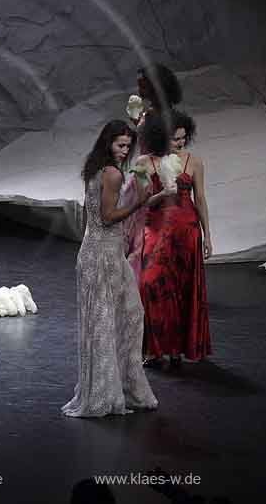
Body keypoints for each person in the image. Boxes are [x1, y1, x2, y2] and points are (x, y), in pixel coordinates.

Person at [62, 120, 170, 418]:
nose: (125, 151)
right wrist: (139, 204)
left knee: (117, 318)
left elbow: (92, 217)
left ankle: (113, 389)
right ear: (108, 142)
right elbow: (109, 217)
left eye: (127, 145)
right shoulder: (110, 174)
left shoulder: (94, 169)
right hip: (103, 256)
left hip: (96, 252)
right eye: (120, 145)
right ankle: (110, 393)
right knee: (118, 319)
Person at [136, 111, 212, 369]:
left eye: (182, 138)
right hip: (156, 229)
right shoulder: (145, 162)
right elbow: (141, 203)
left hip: (186, 230)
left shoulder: (194, 162)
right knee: (150, 285)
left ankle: (177, 349)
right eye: (174, 139)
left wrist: (208, 236)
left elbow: (200, 199)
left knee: (182, 289)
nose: (180, 143)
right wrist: (162, 194)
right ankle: (154, 349)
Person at [129, 62, 182, 133]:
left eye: (143, 87)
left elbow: (152, 136)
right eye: (139, 86)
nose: (139, 91)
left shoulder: (165, 116)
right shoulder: (153, 111)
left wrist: (138, 122)